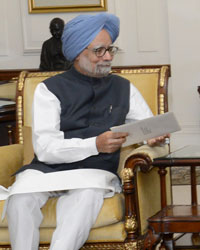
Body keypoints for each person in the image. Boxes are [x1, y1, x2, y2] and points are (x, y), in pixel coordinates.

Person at [6, 13, 167, 250]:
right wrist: (95, 145)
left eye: (110, 49)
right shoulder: (49, 89)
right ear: (78, 53)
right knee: (20, 199)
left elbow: (147, 125)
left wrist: (153, 136)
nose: (109, 56)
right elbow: (46, 148)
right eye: (99, 51)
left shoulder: (124, 87)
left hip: (95, 171)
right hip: (46, 169)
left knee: (86, 196)